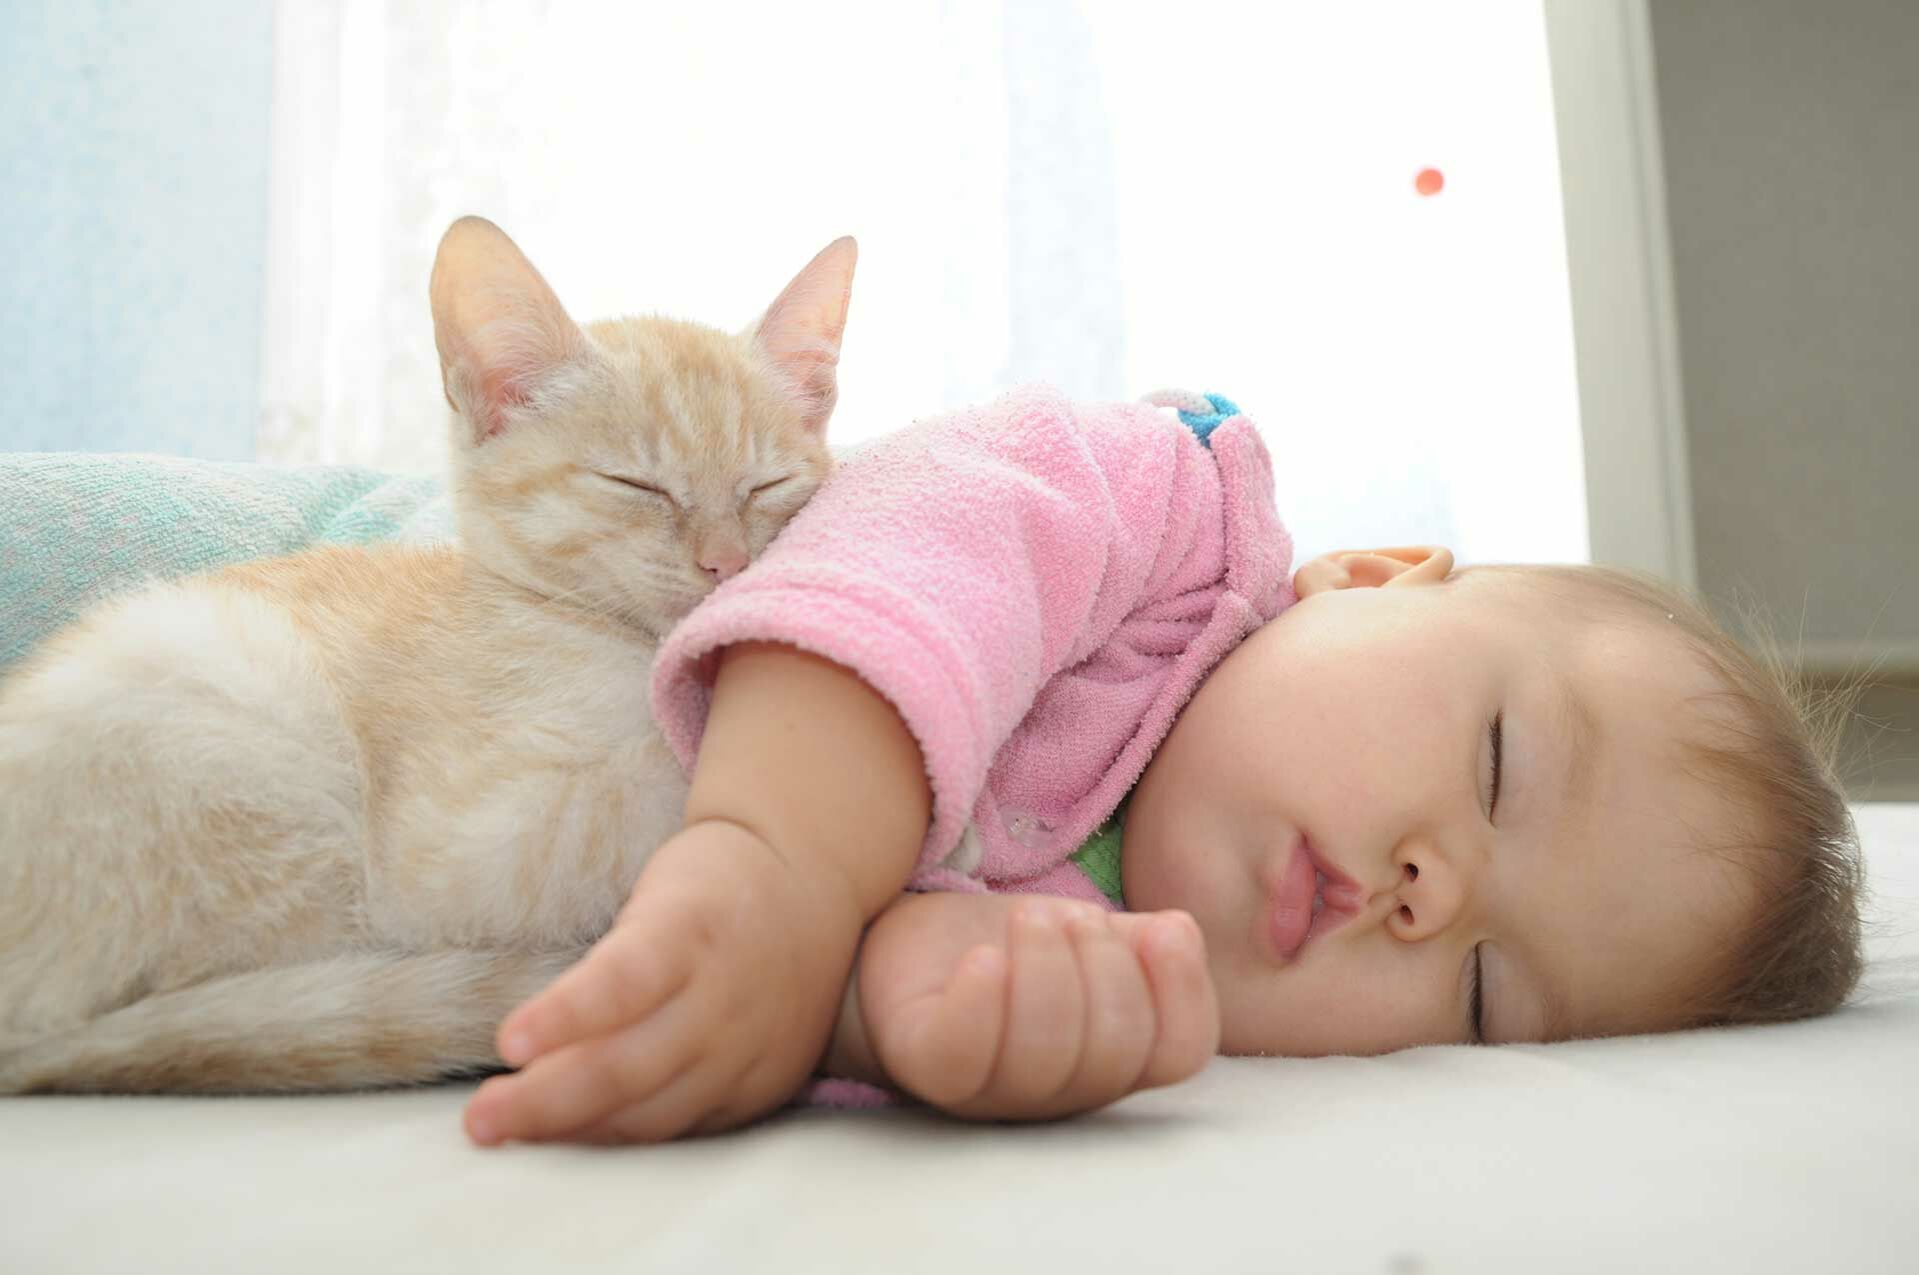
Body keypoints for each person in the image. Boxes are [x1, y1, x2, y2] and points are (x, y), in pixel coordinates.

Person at [460, 386, 1863, 1146]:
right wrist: (780, 865)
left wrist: (909, 1022)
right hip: (384, 617)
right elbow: (920, 555)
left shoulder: (1114, 968)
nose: (1432, 896)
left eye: (1486, 992)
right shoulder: (1158, 514)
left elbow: (850, 970)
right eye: (1497, 767)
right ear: (1369, 577)